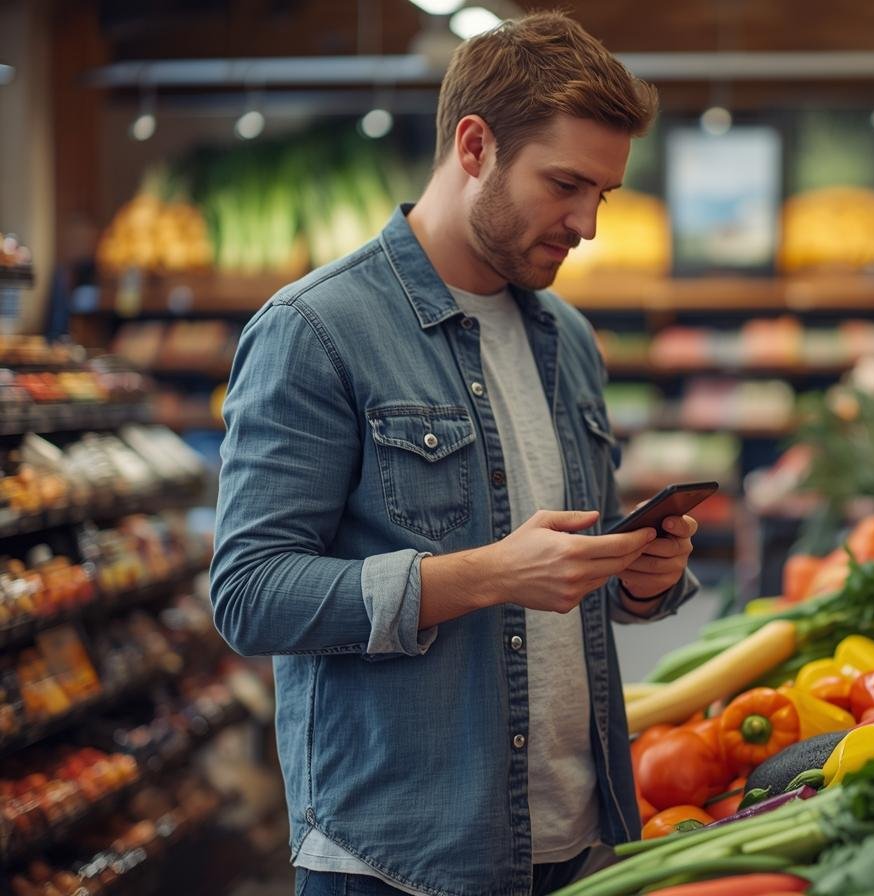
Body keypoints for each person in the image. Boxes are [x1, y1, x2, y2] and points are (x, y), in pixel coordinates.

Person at [209, 12, 700, 896]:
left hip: (575, 838)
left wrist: (641, 577)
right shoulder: (317, 330)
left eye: (605, 195)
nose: (588, 223)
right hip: (396, 860)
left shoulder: (571, 341)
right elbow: (249, 595)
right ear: (475, 146)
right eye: (565, 184)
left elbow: (564, 580)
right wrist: (490, 575)